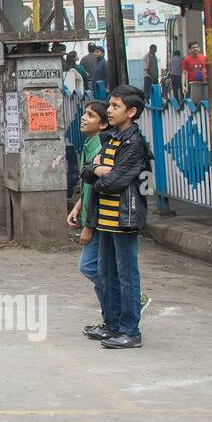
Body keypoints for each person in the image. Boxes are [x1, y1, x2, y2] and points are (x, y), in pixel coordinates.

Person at [82, 85, 149, 350]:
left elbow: (117, 180)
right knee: (106, 273)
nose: (109, 111)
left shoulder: (134, 143)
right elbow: (88, 172)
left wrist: (99, 175)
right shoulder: (111, 138)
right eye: (109, 106)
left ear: (131, 112)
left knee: (127, 275)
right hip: (105, 218)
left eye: (115, 106)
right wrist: (99, 170)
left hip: (124, 219)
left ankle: (130, 330)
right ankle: (111, 324)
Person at [67, 101, 110, 333]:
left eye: (91, 116)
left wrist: (89, 227)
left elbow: (98, 190)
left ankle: (128, 298)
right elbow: (88, 186)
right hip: (90, 215)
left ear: (102, 125)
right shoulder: (89, 144)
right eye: (85, 113)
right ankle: (108, 318)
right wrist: (77, 206)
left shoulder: (101, 149)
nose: (84, 118)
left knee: (89, 267)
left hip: (99, 221)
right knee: (97, 268)